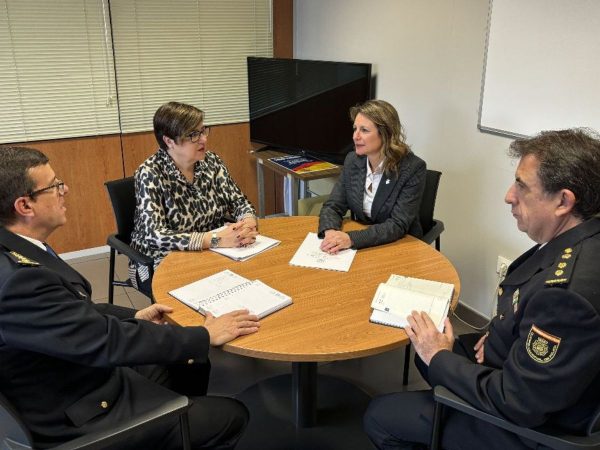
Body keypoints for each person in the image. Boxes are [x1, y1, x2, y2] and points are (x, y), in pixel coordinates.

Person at [0, 146, 261, 449]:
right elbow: (105, 342)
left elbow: (71, 314)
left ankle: (181, 417)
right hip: (82, 411)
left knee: (190, 360)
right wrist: (203, 335)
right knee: (232, 415)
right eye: (55, 186)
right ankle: (176, 424)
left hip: (76, 369)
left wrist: (133, 316)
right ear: (25, 206)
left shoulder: (21, 251)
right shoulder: (19, 278)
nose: (65, 190)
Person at [363, 128, 600, 449]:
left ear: (563, 201)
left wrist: (439, 355)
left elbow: (518, 402)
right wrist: (504, 331)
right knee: (424, 356)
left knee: (380, 415)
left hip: (527, 427)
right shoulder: (581, 237)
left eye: (522, 185)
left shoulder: (568, 295)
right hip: (528, 375)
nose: (509, 196)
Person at [130, 101, 258, 295]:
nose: (203, 139)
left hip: (212, 253)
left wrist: (247, 223)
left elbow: (239, 202)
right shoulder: (150, 173)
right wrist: (214, 240)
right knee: (210, 296)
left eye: (203, 130)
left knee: (252, 279)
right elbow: (157, 237)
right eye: (193, 135)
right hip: (158, 260)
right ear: (169, 141)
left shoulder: (212, 162)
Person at [318, 99, 426, 254]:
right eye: (355, 129)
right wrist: (330, 233)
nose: (355, 136)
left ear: (386, 134)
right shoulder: (353, 160)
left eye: (364, 130)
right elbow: (333, 206)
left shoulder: (412, 168)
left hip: (400, 245)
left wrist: (351, 239)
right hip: (365, 245)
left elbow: (397, 224)